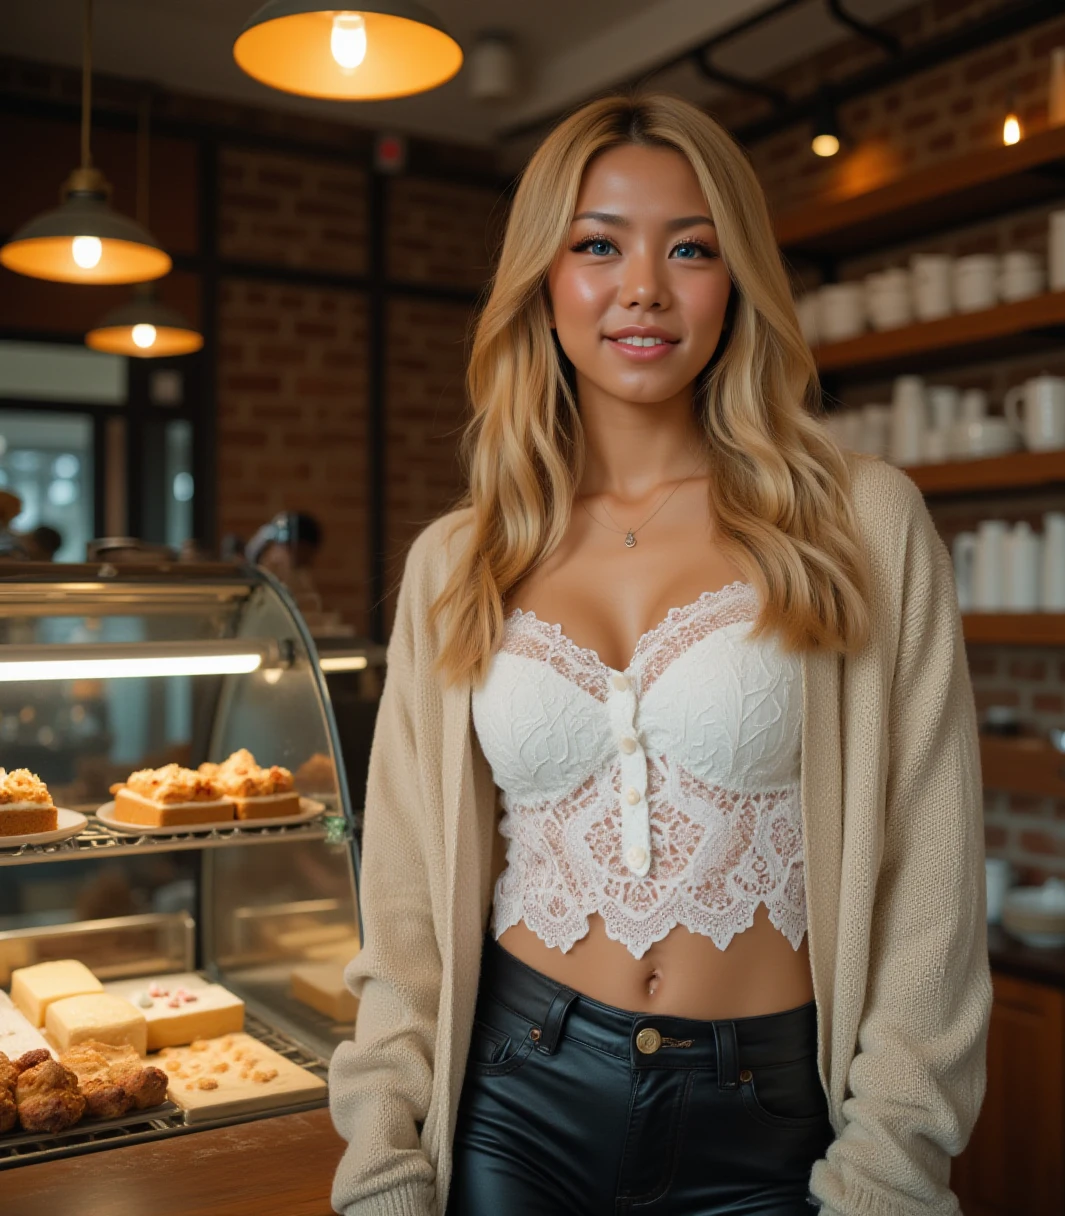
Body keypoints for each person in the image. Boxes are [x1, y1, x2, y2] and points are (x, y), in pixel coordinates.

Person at [328, 92, 991, 1216]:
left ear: (735, 282)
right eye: (596, 245)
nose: (642, 286)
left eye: (689, 247)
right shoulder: (456, 560)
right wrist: (386, 1168)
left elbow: (932, 885)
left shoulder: (861, 524)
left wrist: (888, 1174)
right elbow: (401, 911)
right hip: (514, 1098)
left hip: (775, 1116)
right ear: (544, 277)